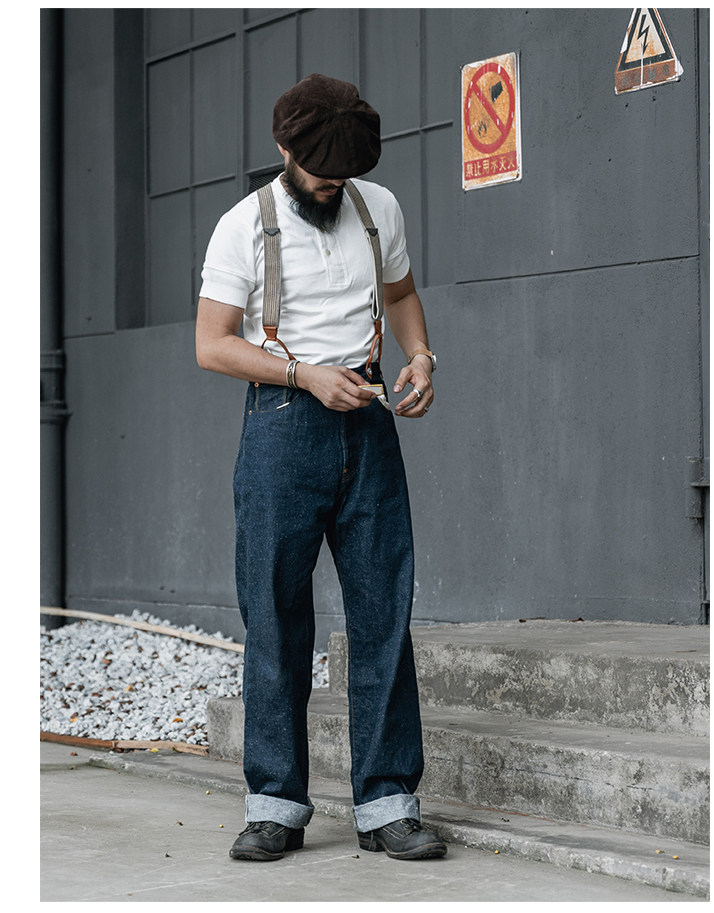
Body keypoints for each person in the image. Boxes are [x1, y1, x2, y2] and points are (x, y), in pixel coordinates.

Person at [195, 73, 444, 863]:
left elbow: (401, 293)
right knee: (275, 616)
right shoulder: (243, 226)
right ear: (284, 149)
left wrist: (421, 355)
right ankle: (275, 804)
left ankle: (388, 803)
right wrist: (304, 376)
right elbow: (211, 344)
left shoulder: (380, 208)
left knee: (382, 613)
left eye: (345, 174)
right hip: (281, 423)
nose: (333, 185)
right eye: (321, 173)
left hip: (368, 420)